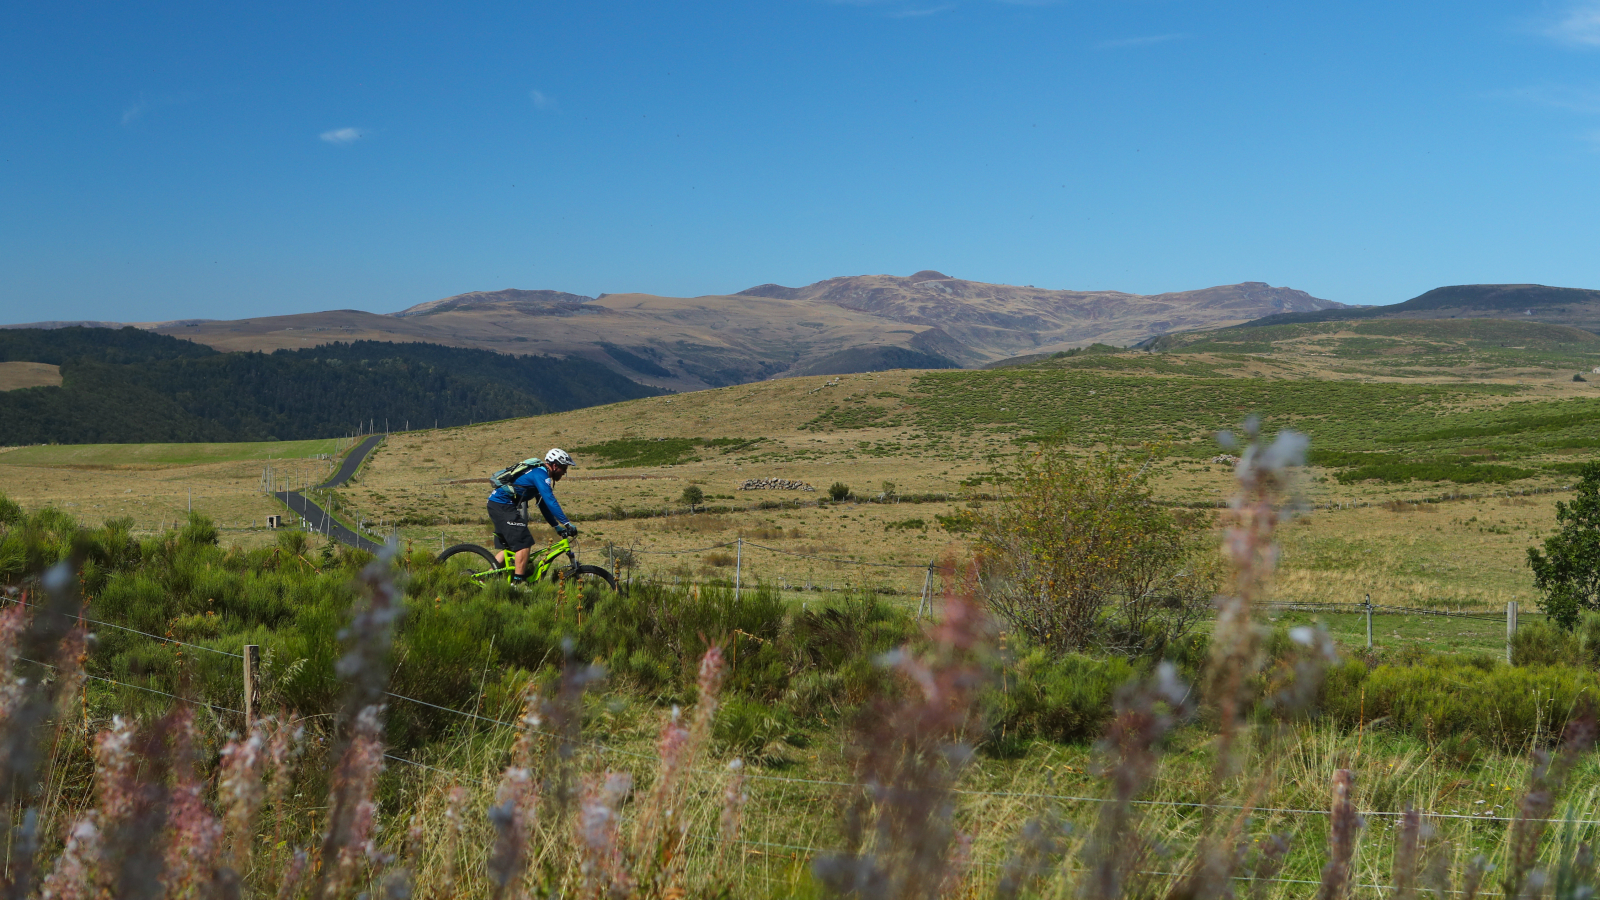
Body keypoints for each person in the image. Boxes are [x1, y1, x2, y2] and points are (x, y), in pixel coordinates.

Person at [486, 448, 577, 584]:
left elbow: (543, 505)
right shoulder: (540, 474)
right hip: (502, 505)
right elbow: (550, 500)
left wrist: (556, 526)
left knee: (511, 549)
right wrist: (567, 523)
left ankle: (486, 579)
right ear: (554, 465)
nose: (565, 472)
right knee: (524, 543)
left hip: (499, 505)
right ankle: (519, 583)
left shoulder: (539, 474)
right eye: (564, 468)